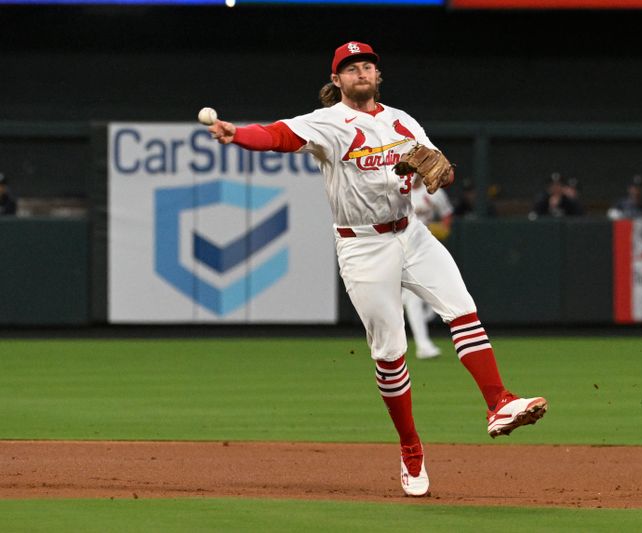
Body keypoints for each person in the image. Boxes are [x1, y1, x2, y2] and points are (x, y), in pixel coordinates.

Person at [207, 41, 547, 497]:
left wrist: (439, 171)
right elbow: (277, 135)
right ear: (337, 81)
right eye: (351, 68)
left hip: (411, 232)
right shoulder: (326, 123)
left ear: (378, 76)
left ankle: (499, 404)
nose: (361, 72)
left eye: (367, 65)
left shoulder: (402, 120)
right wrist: (238, 134)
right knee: (390, 353)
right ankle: (410, 447)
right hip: (363, 245)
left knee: (462, 310)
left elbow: (440, 171)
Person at [402, 176, 454, 360]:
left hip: (426, 247)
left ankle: (409, 311)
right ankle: (423, 345)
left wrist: (442, 229)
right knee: (413, 298)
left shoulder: (433, 192)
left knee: (437, 291)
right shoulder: (399, 190)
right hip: (402, 248)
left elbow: (447, 214)